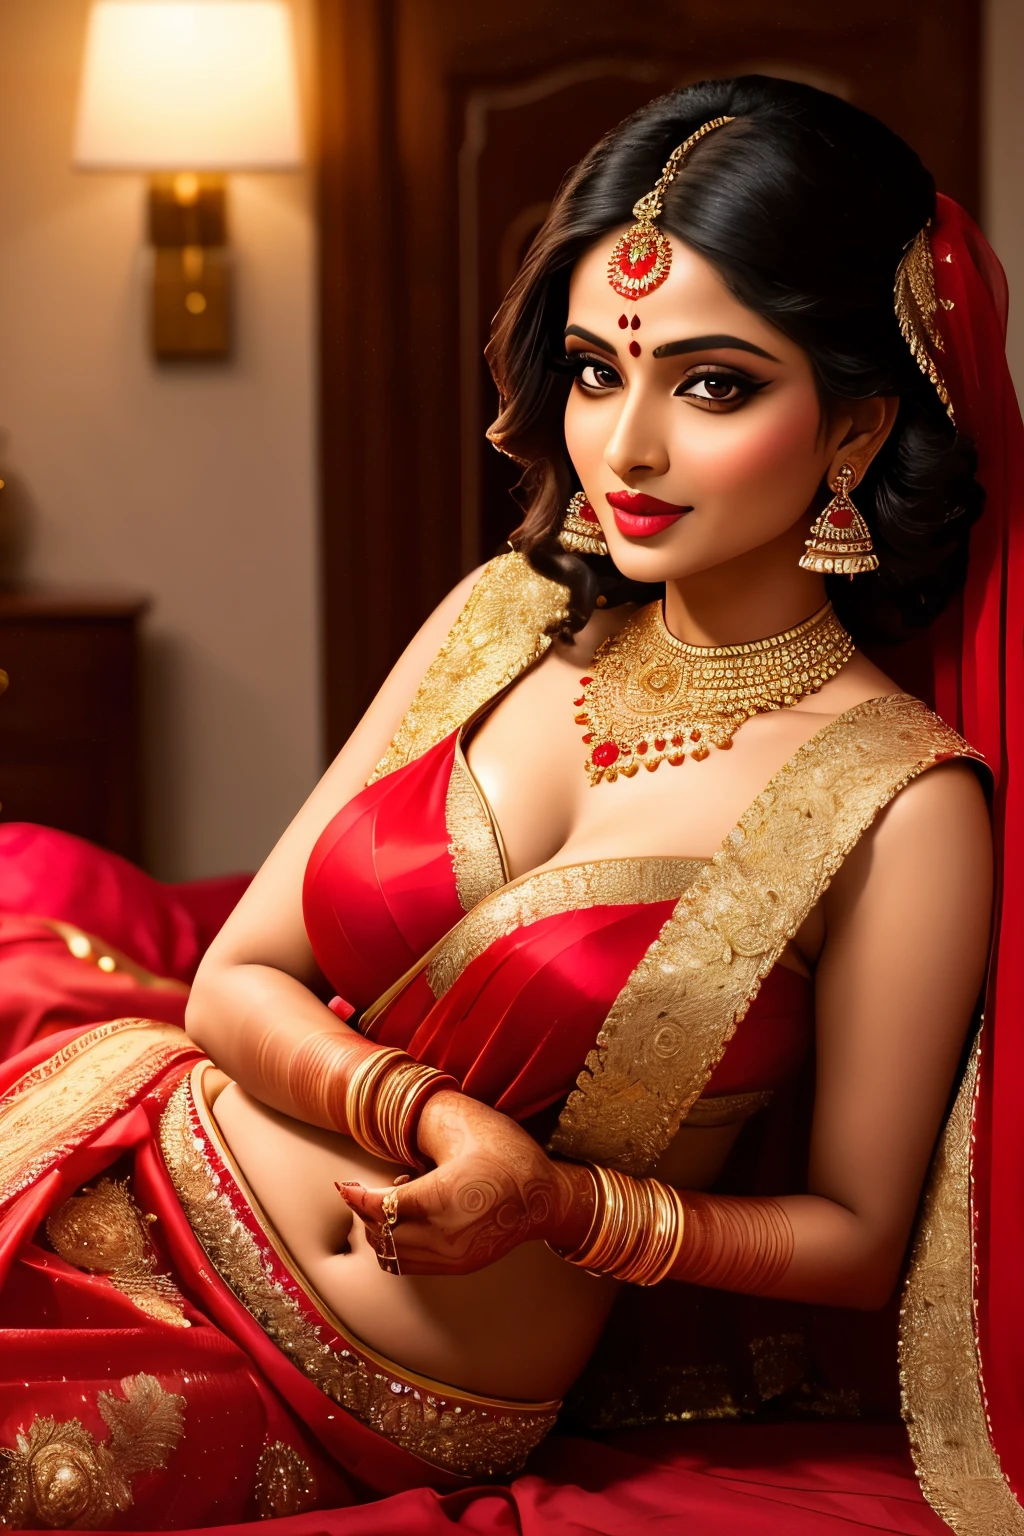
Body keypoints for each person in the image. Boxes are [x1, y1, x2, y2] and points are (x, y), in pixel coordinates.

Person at [1, 76, 1021, 1535]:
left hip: (358, 1384)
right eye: (601, 370)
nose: (628, 447)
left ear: (853, 429)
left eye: (713, 383)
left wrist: (552, 1205)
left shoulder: (901, 800)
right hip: (126, 1167)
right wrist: (418, 1110)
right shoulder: (508, 616)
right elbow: (238, 978)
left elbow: (857, 1244)